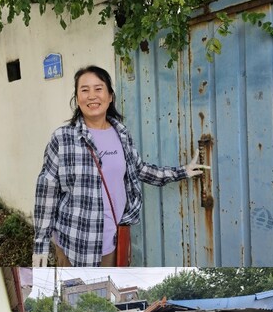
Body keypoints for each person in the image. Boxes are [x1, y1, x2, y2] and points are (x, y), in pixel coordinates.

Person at [33, 65, 209, 267]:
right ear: (77, 98)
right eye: (84, 90)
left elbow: (140, 169)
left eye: (98, 89)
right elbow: (46, 192)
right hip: (75, 242)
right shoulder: (62, 138)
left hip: (112, 240)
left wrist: (183, 171)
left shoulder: (121, 134)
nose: (92, 96)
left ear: (110, 97)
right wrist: (41, 244)